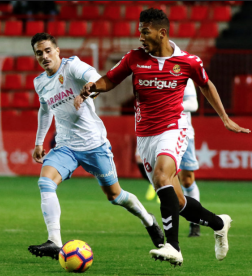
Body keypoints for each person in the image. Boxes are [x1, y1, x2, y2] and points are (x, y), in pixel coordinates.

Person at [74, 8, 251, 266]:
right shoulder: (134, 58)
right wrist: (94, 87)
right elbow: (110, 80)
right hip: (145, 136)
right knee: (177, 201)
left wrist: (225, 118)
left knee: (161, 176)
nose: (140, 37)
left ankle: (173, 247)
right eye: (139, 31)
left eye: (145, 32)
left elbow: (206, 85)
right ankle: (219, 223)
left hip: (174, 128)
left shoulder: (188, 62)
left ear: (162, 32)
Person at [27, 33, 164, 260]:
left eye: (48, 50)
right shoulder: (39, 82)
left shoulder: (72, 67)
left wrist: (89, 87)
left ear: (58, 51)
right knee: (45, 182)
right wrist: (39, 141)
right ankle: (54, 241)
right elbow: (45, 110)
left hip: (94, 145)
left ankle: (148, 220)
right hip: (65, 147)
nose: (44, 56)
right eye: (39, 53)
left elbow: (93, 76)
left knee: (116, 196)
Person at [140, 78, 202, 237]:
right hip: (158, 133)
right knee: (164, 177)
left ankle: (195, 223)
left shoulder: (182, 74)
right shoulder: (150, 77)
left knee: (187, 180)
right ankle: (171, 233)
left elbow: (193, 104)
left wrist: (168, 106)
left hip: (183, 132)